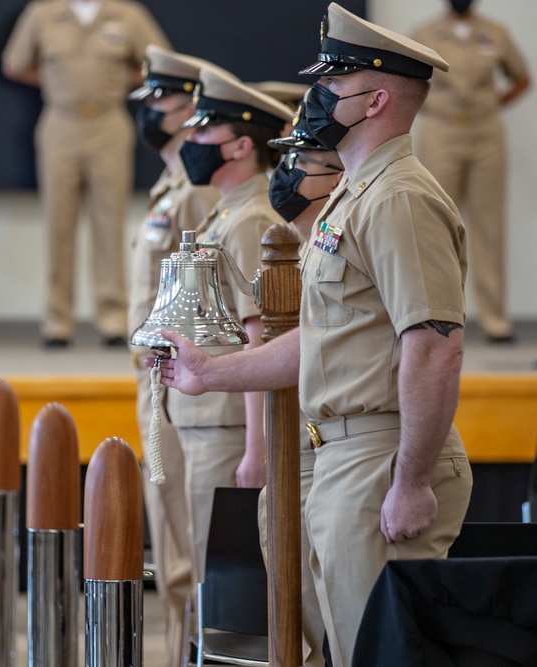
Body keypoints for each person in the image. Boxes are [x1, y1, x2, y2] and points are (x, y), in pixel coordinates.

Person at [151, 5, 473, 666]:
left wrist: (411, 478)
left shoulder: (397, 199)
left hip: (382, 449)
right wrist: (210, 372)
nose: (318, 96)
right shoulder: (358, 196)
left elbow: (435, 343)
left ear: (377, 98)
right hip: (342, 452)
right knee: (346, 650)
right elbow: (327, 338)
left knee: (376, 652)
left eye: (335, 81)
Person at [173, 61, 292, 589]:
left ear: (242, 145)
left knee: (225, 589)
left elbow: (259, 335)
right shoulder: (224, 215)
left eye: (205, 129)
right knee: (205, 580)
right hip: (206, 420)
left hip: (227, 428)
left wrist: (255, 449)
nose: (191, 138)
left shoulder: (250, 222)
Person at [1, 0, 169, 348]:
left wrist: (123, 80)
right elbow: (14, 64)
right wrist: (52, 80)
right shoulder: (42, 14)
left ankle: (112, 318)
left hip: (109, 122)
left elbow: (160, 62)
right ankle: (57, 322)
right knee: (57, 223)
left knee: (110, 222)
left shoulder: (127, 15)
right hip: (60, 121)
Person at [127, 44, 218, 667]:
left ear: (190, 107)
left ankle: (192, 650)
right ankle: (178, 645)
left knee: (185, 532)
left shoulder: (193, 191)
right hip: (156, 375)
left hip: (180, 375)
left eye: (160, 100)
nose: (150, 112)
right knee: (167, 526)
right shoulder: (169, 185)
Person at [259, 102, 346, 667]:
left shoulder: (364, 218)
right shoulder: (313, 236)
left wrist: (215, 374)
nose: (289, 171)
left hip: (354, 442)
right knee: (309, 633)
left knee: (350, 636)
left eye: (303, 158)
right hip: (313, 440)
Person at [411, 0, 530, 343]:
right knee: (437, 224)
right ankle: (437, 316)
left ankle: (494, 320)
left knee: (489, 226)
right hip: (442, 132)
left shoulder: (493, 32)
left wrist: (494, 105)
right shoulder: (425, 33)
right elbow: (407, 80)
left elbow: (522, 77)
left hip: (484, 134)